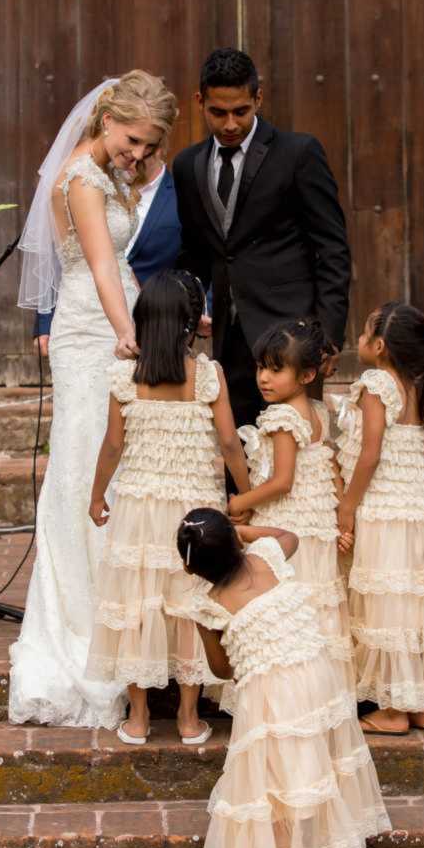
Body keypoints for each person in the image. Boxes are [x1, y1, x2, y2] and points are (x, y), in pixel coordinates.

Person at [11, 71, 179, 727]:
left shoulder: (108, 170)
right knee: (87, 471)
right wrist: (127, 330)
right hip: (91, 332)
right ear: (107, 120)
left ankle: (130, 638)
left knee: (114, 469)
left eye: (150, 144)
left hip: (108, 321)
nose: (139, 155)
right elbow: (103, 265)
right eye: (134, 140)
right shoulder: (82, 177)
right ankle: (87, 642)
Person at [177, 511, 389, 848]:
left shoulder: (206, 605)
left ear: (190, 566)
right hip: (316, 676)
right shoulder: (269, 556)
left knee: (274, 786)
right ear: (236, 542)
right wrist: (244, 532)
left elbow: (221, 669)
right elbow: (289, 533)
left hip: (271, 695)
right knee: (309, 771)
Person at [86, 270, 250, 746]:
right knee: (189, 605)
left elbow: (113, 446)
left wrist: (98, 495)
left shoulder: (125, 379)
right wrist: (244, 496)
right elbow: (228, 443)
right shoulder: (208, 375)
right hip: (194, 513)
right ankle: (187, 716)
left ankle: (137, 718)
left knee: (139, 606)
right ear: (189, 323)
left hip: (138, 510)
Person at [173, 47, 352, 432]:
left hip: (292, 335)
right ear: (200, 101)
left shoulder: (299, 153)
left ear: (259, 98)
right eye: (218, 112)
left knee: (294, 450)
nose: (231, 123)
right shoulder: (188, 165)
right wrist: (181, 313)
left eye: (241, 111)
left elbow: (332, 248)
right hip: (228, 335)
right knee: (236, 446)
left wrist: (330, 335)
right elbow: (196, 252)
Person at [336, 303, 424, 734]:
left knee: (387, 610)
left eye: (362, 333)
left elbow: (370, 453)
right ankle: (418, 704)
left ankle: (395, 711)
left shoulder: (377, 383)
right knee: (411, 606)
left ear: (379, 346)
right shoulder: (415, 384)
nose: (357, 340)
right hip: (415, 514)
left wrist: (346, 506)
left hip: (383, 511)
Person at [227, 318, 353, 687]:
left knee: (285, 602)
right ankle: (319, 686)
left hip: (288, 521)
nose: (263, 378)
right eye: (261, 367)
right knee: (314, 603)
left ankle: (285, 685)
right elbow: (329, 466)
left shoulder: (283, 417)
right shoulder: (316, 410)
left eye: (276, 370)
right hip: (314, 522)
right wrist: (340, 514)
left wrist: (240, 503)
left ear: (307, 374)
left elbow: (282, 482)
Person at [33, 145, 182, 354]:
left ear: (160, 147)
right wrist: (44, 319)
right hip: (80, 321)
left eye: (145, 149)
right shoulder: (89, 180)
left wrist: (200, 309)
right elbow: (61, 253)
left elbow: (197, 257)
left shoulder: (179, 195)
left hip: (149, 325)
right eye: (131, 145)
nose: (135, 157)